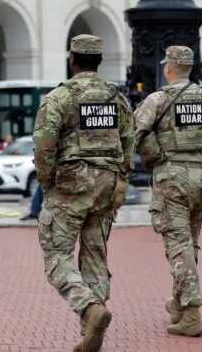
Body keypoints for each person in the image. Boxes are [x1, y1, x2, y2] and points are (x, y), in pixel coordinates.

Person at [33, 35, 134, 352]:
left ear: (72, 60)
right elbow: (129, 144)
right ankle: (92, 337)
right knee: (95, 259)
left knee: (57, 256)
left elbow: (44, 146)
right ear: (99, 61)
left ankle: (89, 309)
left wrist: (48, 182)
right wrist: (118, 177)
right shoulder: (117, 98)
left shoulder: (60, 98)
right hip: (107, 186)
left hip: (70, 187)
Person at [134, 46, 202, 337]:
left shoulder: (158, 99)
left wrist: (153, 149)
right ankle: (179, 303)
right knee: (188, 245)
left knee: (179, 247)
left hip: (171, 179)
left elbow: (135, 134)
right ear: (191, 67)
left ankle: (191, 314)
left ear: (168, 68)